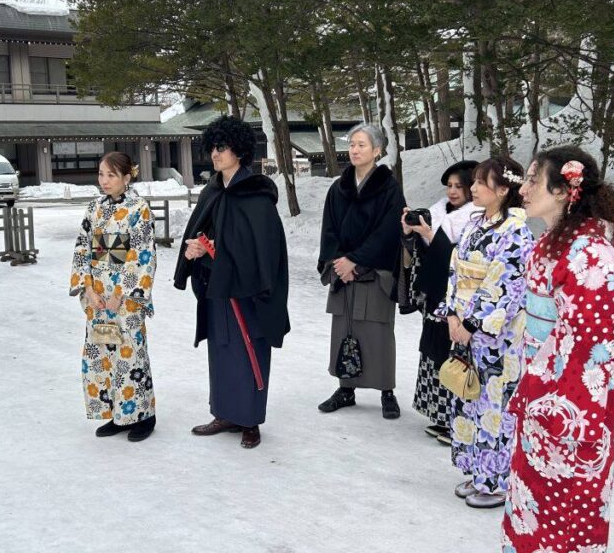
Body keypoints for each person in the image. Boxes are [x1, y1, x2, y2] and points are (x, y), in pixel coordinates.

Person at [502, 146, 614, 553]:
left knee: (572, 487)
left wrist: (552, 395)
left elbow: (590, 343)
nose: (522, 188)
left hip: (577, 393)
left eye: (533, 181)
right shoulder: (558, 239)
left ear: (564, 190)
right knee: (536, 483)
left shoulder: (591, 253)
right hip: (546, 379)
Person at [174, 115, 289, 449]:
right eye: (212, 147)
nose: (215, 153)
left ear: (239, 150)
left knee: (248, 349)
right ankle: (225, 412)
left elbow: (259, 253)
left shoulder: (255, 196)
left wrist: (210, 253)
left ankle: (250, 419)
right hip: (217, 289)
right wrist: (197, 248)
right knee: (222, 350)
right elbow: (208, 231)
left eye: (221, 147)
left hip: (249, 293)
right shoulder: (213, 191)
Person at [442, 158, 534, 508]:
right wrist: (452, 313)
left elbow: (506, 284)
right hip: (465, 325)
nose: (474, 187)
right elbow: (456, 271)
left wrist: (470, 322)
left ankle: (496, 479)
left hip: (497, 335)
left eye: (482, 182)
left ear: (504, 190)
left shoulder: (515, 231)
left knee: (495, 402)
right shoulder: (475, 222)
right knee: (469, 397)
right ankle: (477, 469)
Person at [317, 123, 406, 419]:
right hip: (343, 272)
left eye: (362, 145)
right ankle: (346, 388)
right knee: (344, 328)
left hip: (373, 272)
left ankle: (386, 391)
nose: (354, 150)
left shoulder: (389, 188)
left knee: (378, 331)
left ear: (377, 150)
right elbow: (328, 229)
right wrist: (338, 262)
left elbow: (389, 231)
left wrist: (356, 260)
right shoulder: (338, 187)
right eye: (352, 144)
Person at [70, 152, 157, 442]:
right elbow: (83, 248)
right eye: (101, 174)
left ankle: (143, 415)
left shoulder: (138, 208)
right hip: (98, 297)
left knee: (130, 355)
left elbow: (143, 254)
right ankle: (118, 415)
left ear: (126, 178)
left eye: (110, 175)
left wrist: (121, 293)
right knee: (104, 355)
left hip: (126, 298)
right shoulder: (94, 208)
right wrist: (89, 289)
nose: (103, 181)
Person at [399, 160, 481, 442]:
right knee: (433, 352)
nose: (453, 191)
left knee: (454, 355)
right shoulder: (438, 212)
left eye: (460, 186)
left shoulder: (477, 217)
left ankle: (456, 420)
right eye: (449, 186)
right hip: (435, 295)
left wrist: (430, 235)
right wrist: (411, 234)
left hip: (460, 301)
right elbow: (420, 254)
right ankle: (438, 414)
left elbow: (459, 259)